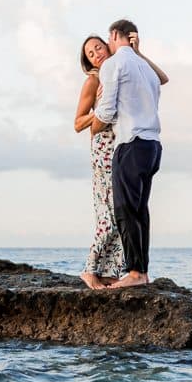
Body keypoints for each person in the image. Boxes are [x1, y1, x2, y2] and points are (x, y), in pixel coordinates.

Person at [89, 19, 169, 289]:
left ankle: (135, 272)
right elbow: (162, 80)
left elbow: (107, 111)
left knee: (125, 210)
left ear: (113, 35)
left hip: (130, 142)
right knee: (140, 210)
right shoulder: (146, 69)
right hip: (152, 146)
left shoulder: (114, 64)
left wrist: (94, 125)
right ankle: (142, 272)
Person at [73, 35, 124, 289]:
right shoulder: (93, 81)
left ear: (107, 47)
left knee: (121, 211)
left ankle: (111, 272)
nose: (96, 54)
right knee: (107, 212)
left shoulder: (116, 74)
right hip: (103, 147)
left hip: (121, 146)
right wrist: (98, 110)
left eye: (98, 48)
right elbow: (78, 123)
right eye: (90, 53)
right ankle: (89, 269)